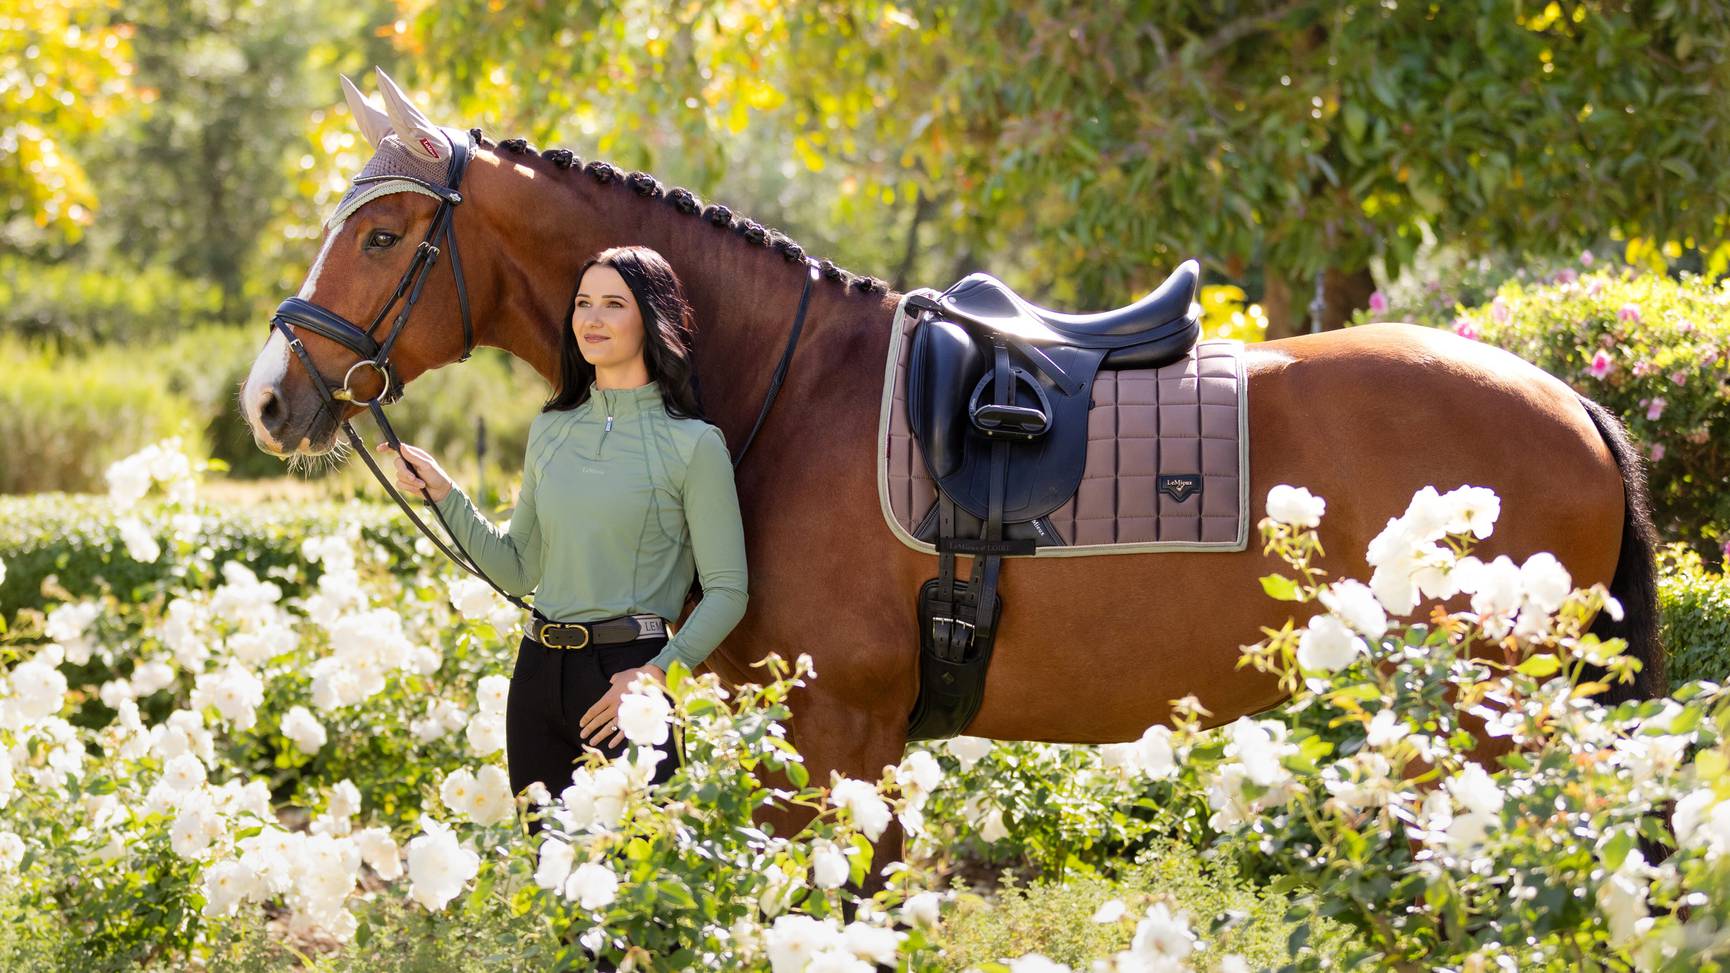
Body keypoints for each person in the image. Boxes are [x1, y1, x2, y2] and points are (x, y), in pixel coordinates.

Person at [376, 244, 749, 815]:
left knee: (630, 861)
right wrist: (444, 495)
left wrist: (658, 674)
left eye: (614, 304)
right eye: (582, 303)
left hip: (626, 686)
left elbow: (728, 590)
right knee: (546, 862)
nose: (592, 319)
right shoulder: (550, 428)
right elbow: (517, 568)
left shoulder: (694, 445)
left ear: (651, 319)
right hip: (536, 677)